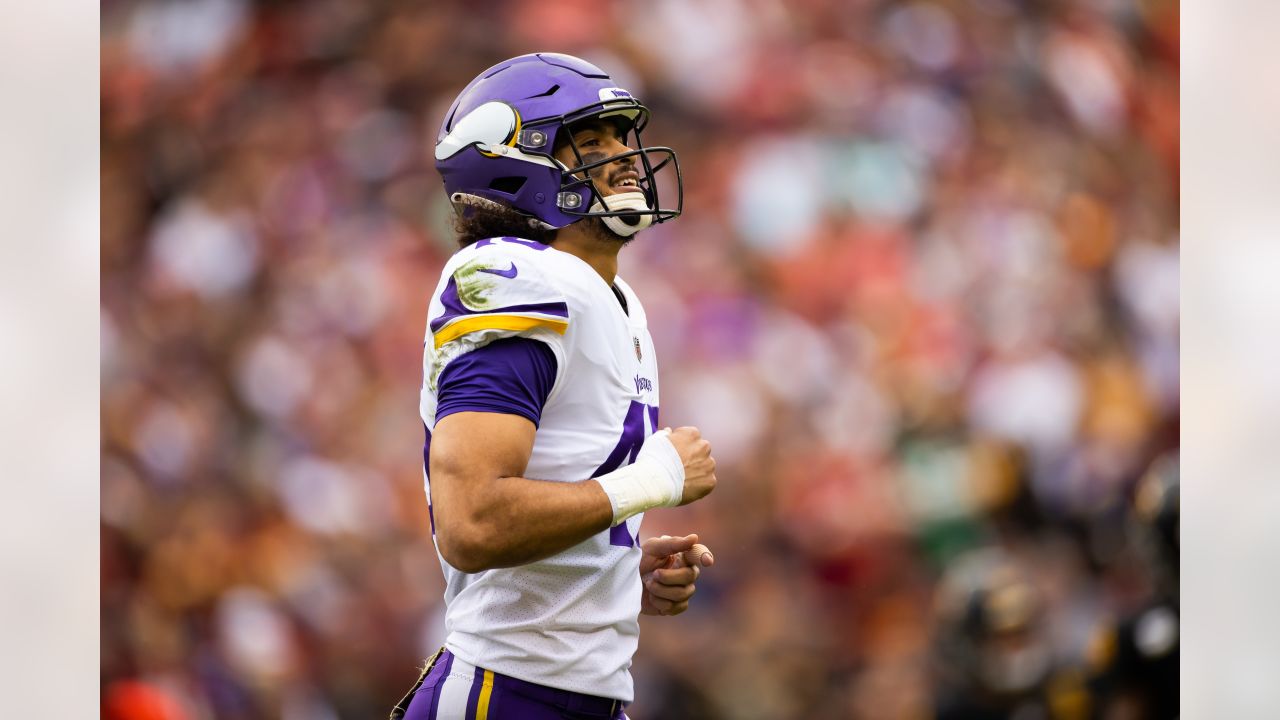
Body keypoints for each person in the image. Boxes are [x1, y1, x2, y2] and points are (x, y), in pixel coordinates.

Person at [391, 53, 718, 720]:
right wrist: (647, 483)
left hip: (577, 696)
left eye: (622, 137)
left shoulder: (613, 297)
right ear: (514, 164)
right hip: (504, 694)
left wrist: (610, 572)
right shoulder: (515, 274)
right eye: (591, 143)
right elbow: (473, 521)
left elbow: (545, 496)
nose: (625, 157)